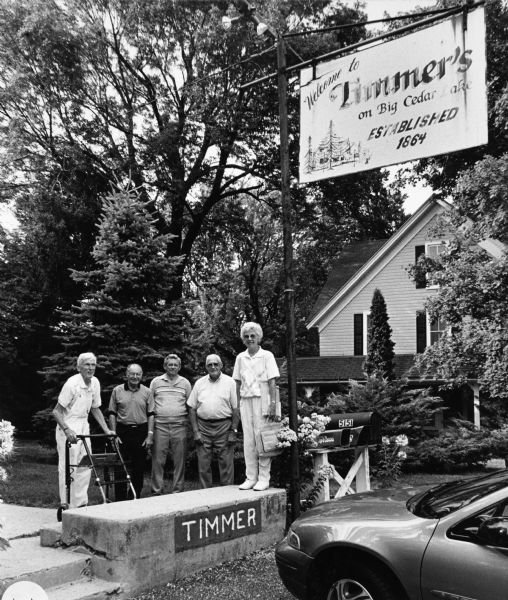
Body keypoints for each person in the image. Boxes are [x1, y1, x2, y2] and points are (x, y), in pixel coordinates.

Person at [52, 352, 115, 521]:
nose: (90, 368)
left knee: (85, 465)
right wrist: (67, 430)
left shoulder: (95, 382)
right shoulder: (72, 384)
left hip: (83, 425)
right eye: (87, 364)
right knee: (68, 466)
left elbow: (95, 408)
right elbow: (56, 411)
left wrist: (107, 430)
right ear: (79, 367)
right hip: (68, 425)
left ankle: (80, 504)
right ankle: (66, 505)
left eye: (93, 364)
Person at [233, 322, 280, 491]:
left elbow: (272, 382)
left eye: (253, 335)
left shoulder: (267, 356)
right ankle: (250, 477)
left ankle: (264, 478)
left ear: (258, 337)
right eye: (246, 336)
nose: (249, 339)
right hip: (246, 401)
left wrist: (273, 404)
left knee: (262, 439)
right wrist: (236, 406)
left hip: (263, 401)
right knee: (249, 440)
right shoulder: (240, 357)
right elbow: (237, 384)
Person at [187, 354, 239, 488]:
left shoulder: (230, 382)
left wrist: (233, 431)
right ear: (206, 367)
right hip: (203, 427)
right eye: (210, 364)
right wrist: (196, 431)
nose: (213, 367)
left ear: (221, 365)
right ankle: (206, 496)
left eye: (216, 364)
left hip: (224, 426)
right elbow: (191, 407)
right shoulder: (199, 383)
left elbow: (236, 409)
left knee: (226, 464)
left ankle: (227, 496)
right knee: (203, 465)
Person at [148, 354, 191, 494]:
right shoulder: (155, 382)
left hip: (180, 426)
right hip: (160, 426)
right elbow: (150, 406)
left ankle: (177, 491)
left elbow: (190, 406)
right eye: (170, 364)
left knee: (179, 461)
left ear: (179, 367)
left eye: (175, 365)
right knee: (158, 461)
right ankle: (156, 491)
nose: (172, 367)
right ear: (165, 366)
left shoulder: (185, 383)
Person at [108, 363, 151, 500]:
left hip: (141, 432)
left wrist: (150, 436)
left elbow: (151, 415)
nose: (135, 377)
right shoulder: (117, 390)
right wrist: (113, 434)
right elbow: (112, 413)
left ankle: (134, 497)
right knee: (120, 468)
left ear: (141, 376)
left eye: (138, 374)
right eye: (132, 374)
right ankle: (119, 500)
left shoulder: (147, 392)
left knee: (138, 468)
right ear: (127, 375)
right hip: (122, 432)